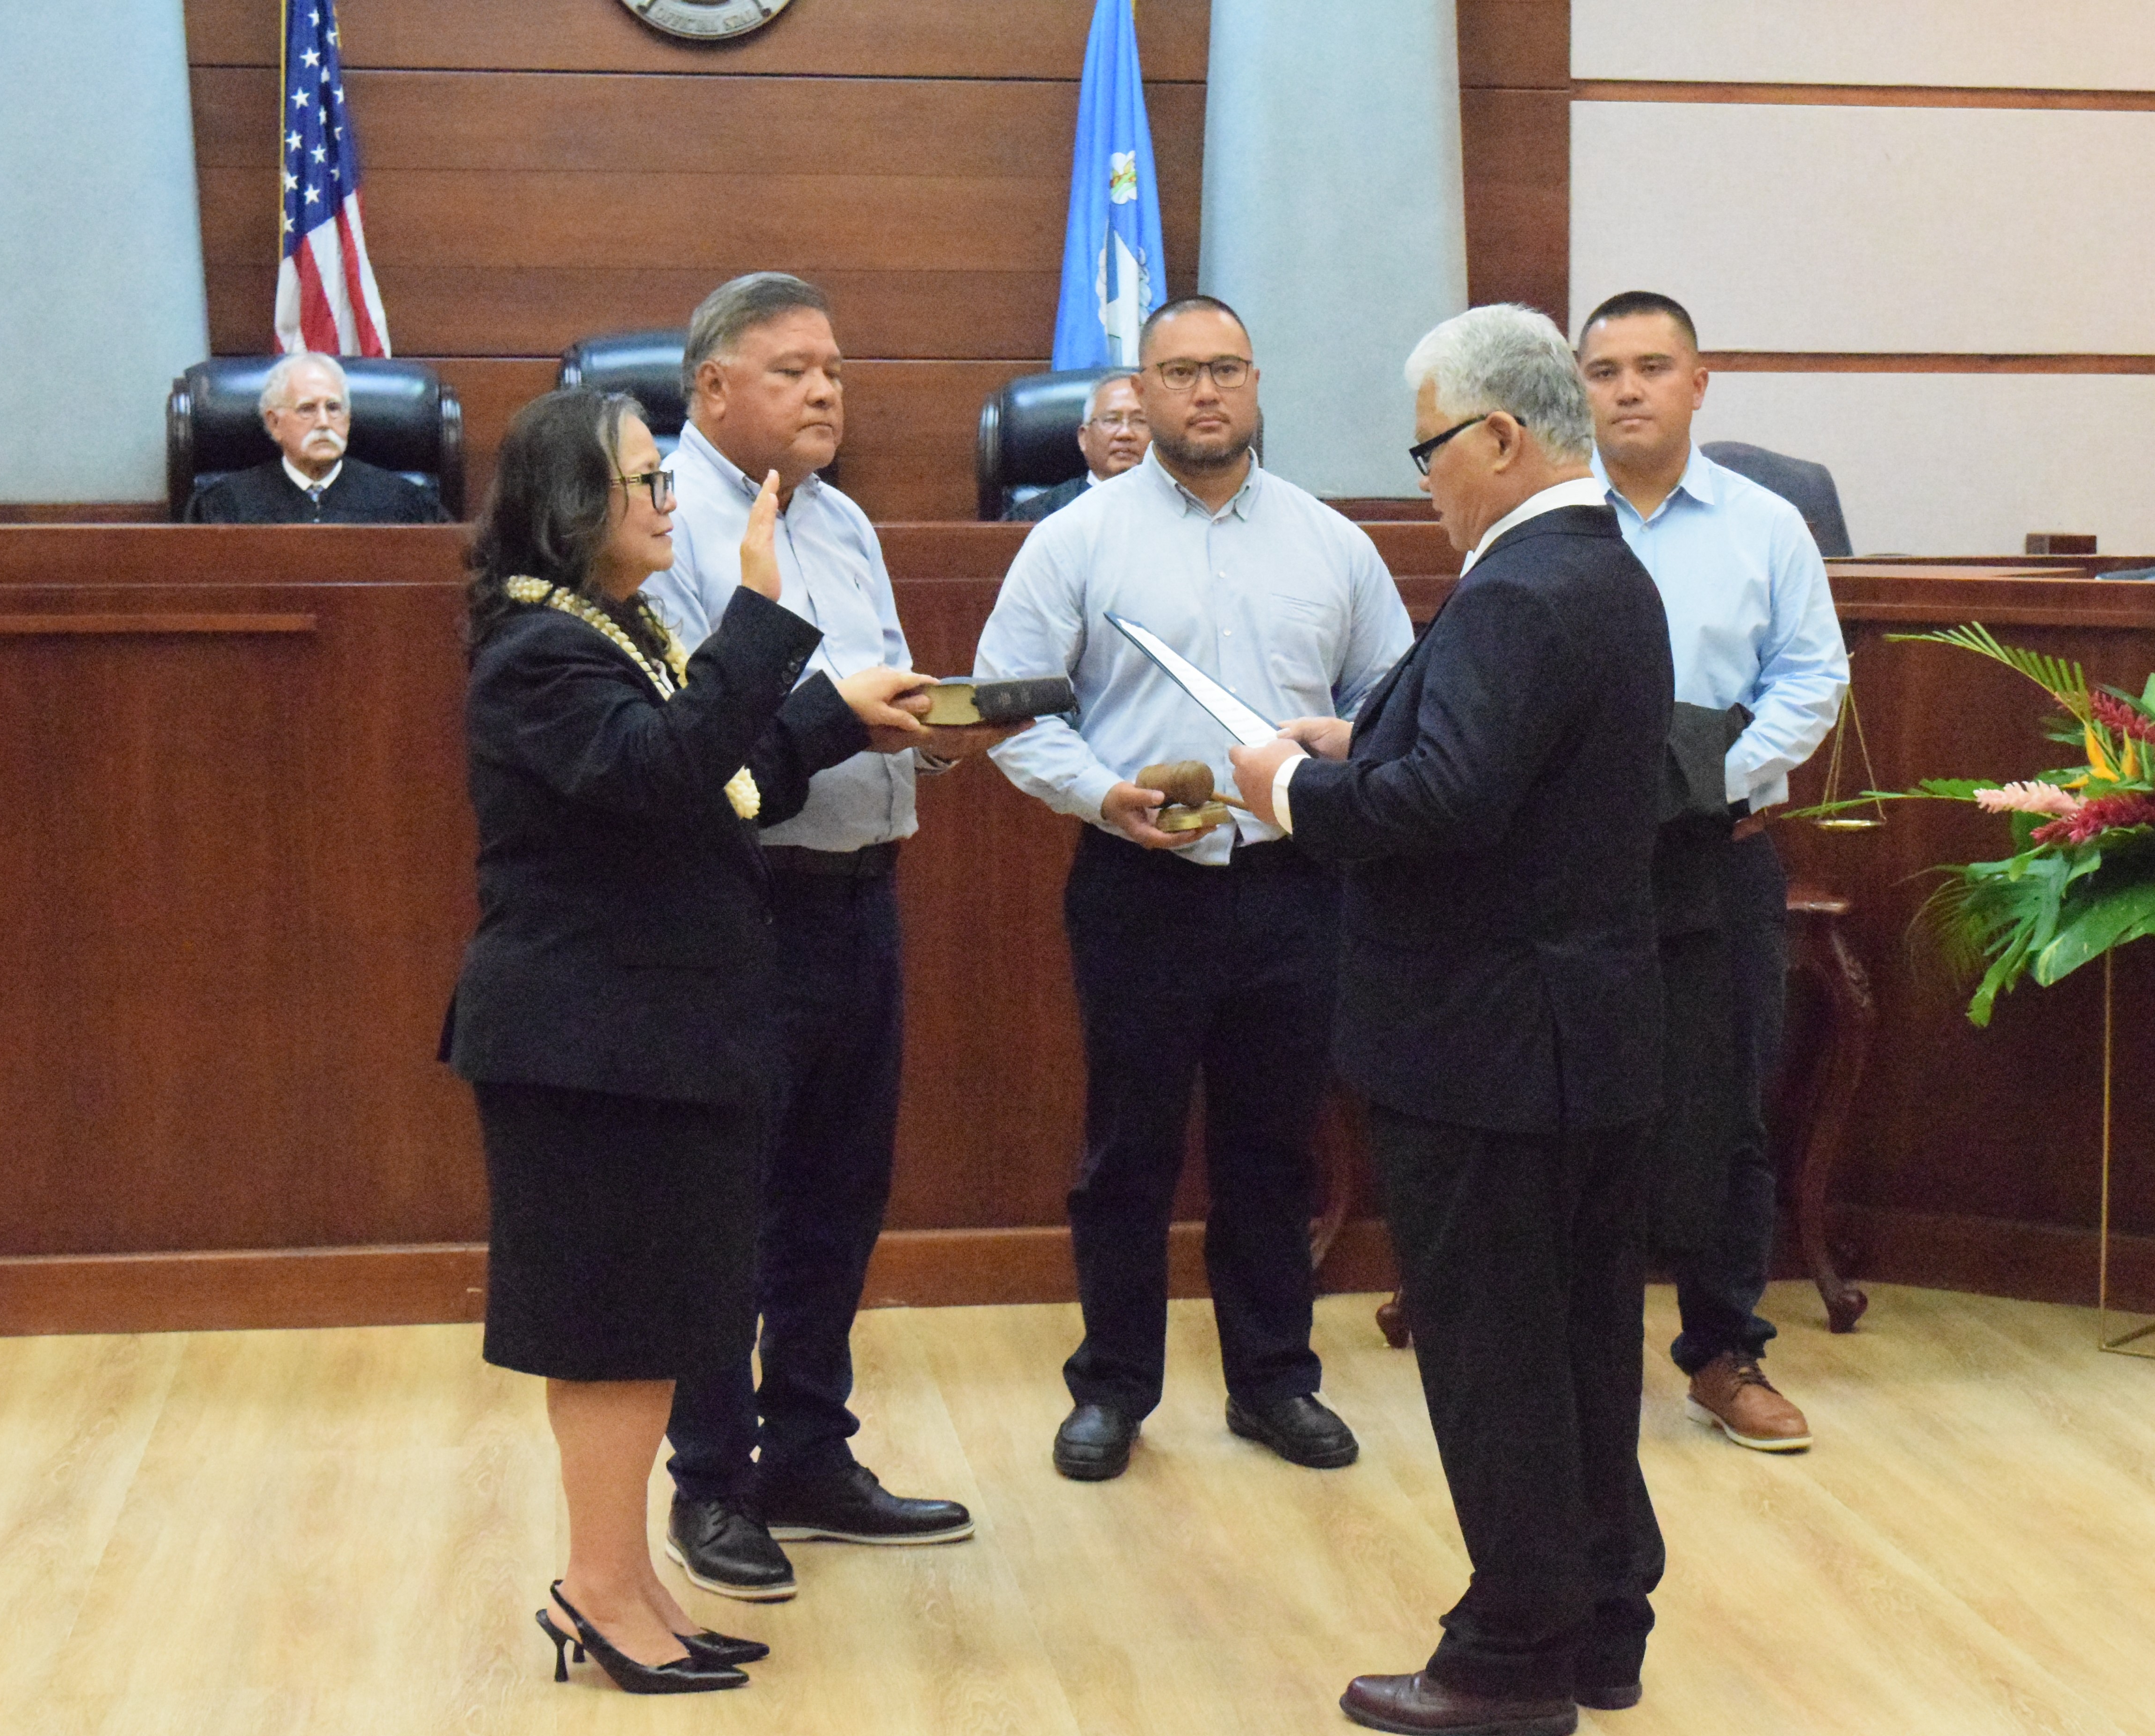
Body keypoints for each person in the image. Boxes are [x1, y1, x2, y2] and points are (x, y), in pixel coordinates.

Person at [440, 387, 930, 1691]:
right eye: (643, 481)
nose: (668, 500)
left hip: (650, 1039)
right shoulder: (539, 656)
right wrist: (763, 616)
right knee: (608, 1325)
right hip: (585, 1049)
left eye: (663, 476)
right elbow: (666, 772)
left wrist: (837, 717)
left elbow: (728, 788)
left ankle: (624, 1578)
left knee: (651, 1321)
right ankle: (596, 1585)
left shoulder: (615, 633)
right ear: (571, 508)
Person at [1231, 303, 1674, 1736]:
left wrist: (1289, 792)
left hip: (1484, 1042)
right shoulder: (1598, 567)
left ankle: (1506, 1656)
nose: (1419, 480)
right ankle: (1602, 1616)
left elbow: (1446, 805)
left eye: (1426, 449)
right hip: (1580, 1028)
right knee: (1578, 1339)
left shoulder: (1519, 588)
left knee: (1493, 1355)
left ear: (1494, 435)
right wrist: (1361, 744)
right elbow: (1502, 768)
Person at [975, 294, 1415, 1484]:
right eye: (1178, 374)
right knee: (1128, 1147)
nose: (1204, 393)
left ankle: (1275, 1382)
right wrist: (1101, 792)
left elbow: (1400, 696)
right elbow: (1008, 708)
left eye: (1225, 369)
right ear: (1141, 395)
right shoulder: (1074, 538)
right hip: (1138, 882)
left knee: (1274, 1150)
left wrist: (1343, 745)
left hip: (1294, 882)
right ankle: (1112, 1388)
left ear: (1258, 383)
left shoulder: (1333, 541)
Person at [642, 273, 1002, 1602]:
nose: (824, 392)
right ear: (711, 386)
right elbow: (695, 742)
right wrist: (846, 716)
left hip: (861, 897)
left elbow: (861, 694)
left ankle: (807, 1451)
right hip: (743, 908)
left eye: (836, 369)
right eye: (792, 368)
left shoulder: (841, 517)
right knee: (725, 1211)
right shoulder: (664, 525)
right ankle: (712, 1481)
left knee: (835, 1201)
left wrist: (937, 715)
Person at [1577, 290, 1848, 1453]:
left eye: (1652, 366)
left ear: (1700, 383)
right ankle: (1564, 1346)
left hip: (1719, 852)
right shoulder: (1549, 523)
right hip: (1575, 869)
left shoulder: (1765, 524)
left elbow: (1810, 679)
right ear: (1576, 390)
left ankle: (1724, 1348)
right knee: (1565, 1098)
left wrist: (1705, 781)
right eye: (1603, 371)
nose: (1628, 389)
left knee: (1722, 1109)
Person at [184, 352, 447, 524]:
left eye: (334, 408)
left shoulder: (406, 502)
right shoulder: (224, 505)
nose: (324, 422)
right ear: (274, 423)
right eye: (307, 409)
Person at [1003, 370, 1150, 521]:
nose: (1125, 433)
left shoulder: (1174, 507)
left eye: (1140, 421)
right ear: (1084, 438)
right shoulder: (1036, 516)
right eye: (1111, 420)